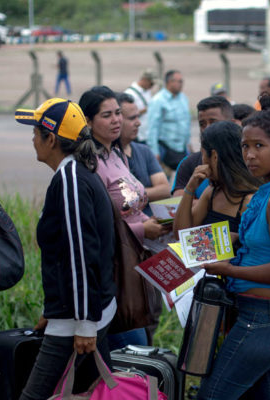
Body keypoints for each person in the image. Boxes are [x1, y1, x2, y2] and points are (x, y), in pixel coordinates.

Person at [196, 95, 270, 399]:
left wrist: (228, 268)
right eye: (245, 146)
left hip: (268, 317)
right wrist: (221, 241)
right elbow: (267, 240)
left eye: (259, 146)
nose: (249, 155)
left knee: (212, 395)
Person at [15, 98, 116, 400]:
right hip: (81, 312)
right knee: (90, 392)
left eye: (35, 132)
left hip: (78, 320)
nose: (32, 139)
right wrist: (54, 309)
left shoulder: (70, 178)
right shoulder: (75, 173)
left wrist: (84, 323)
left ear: (50, 139)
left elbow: (80, 252)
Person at [79, 87, 170, 349]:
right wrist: (143, 229)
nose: (116, 120)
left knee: (135, 346)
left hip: (136, 261)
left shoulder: (117, 154)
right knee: (132, 349)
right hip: (113, 269)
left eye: (118, 113)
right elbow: (99, 221)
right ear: (88, 121)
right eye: (107, 115)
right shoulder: (88, 163)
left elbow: (132, 205)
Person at [173, 121, 260, 242]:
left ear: (214, 156)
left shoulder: (250, 202)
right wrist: (189, 189)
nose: (202, 161)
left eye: (203, 154)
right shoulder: (212, 192)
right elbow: (182, 236)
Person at [116, 92, 170, 216]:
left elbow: (165, 189)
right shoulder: (107, 157)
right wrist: (149, 193)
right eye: (131, 118)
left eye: (138, 117)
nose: (138, 123)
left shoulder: (144, 151)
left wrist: (134, 194)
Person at [172, 96, 234, 198]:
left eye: (213, 122)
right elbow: (178, 205)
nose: (207, 129)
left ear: (232, 123)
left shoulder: (246, 160)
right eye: (202, 124)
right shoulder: (189, 163)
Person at [146, 70, 191, 172]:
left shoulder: (183, 99)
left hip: (182, 148)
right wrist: (154, 152)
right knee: (165, 181)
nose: (180, 84)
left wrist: (188, 144)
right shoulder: (158, 100)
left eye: (181, 81)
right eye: (177, 81)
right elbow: (152, 128)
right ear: (169, 82)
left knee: (184, 179)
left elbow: (186, 123)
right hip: (165, 149)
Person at [124, 70, 155, 144]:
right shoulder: (130, 93)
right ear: (145, 80)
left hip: (146, 134)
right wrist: (142, 111)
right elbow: (125, 115)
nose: (152, 86)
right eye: (151, 84)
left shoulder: (147, 91)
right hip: (137, 135)